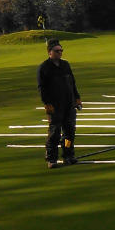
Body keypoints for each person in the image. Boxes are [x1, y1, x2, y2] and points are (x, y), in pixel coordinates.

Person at [37, 39, 82, 169]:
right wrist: (47, 103)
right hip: (55, 106)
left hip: (69, 104)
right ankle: (51, 159)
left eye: (61, 50)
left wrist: (77, 98)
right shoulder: (44, 68)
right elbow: (42, 88)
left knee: (69, 133)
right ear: (50, 52)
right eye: (57, 51)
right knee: (54, 133)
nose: (60, 53)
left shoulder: (65, 65)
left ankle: (68, 155)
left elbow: (72, 83)